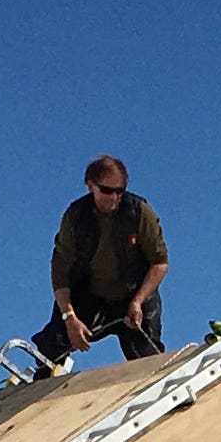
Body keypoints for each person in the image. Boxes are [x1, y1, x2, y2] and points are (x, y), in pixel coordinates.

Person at [46, 155, 171, 366]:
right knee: (51, 347)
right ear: (90, 185)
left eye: (119, 191)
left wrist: (138, 301)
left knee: (148, 360)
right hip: (90, 296)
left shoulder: (139, 212)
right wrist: (69, 318)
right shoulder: (75, 217)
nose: (114, 197)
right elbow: (60, 273)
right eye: (106, 191)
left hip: (134, 296)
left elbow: (160, 262)